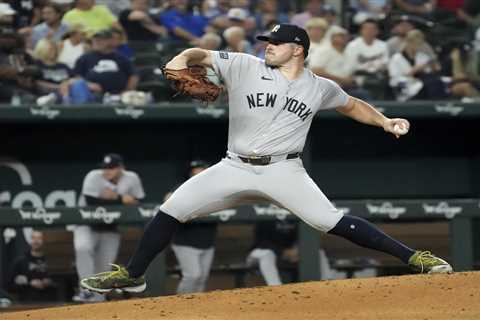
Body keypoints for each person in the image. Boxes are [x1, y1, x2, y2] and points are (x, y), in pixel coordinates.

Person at [80, 23, 452, 294]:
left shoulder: (320, 87)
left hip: (284, 169)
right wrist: (180, 57)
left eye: (277, 42)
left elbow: (352, 105)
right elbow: (199, 54)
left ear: (298, 49)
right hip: (234, 165)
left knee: (331, 221)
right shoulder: (244, 65)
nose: (268, 46)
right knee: (171, 209)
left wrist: (385, 121)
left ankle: (416, 258)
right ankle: (134, 275)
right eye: (268, 41)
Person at [73, 153, 145, 302]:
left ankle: (97, 300)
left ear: (121, 168)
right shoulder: (93, 176)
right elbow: (91, 201)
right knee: (82, 248)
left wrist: (112, 198)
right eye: (105, 168)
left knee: (104, 266)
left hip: (110, 227)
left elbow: (139, 201)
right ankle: (85, 290)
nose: (107, 171)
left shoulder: (131, 178)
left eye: (111, 168)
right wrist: (119, 199)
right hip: (86, 223)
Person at [168, 160, 218, 294]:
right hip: (185, 241)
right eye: (195, 170)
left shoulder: (216, 190)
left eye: (201, 169)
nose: (198, 172)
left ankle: (197, 308)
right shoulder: (183, 187)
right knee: (193, 275)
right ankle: (180, 304)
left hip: (207, 241)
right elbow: (168, 199)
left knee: (202, 278)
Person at [59, 29, 138, 104]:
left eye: (100, 39)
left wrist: (127, 91)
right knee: (78, 86)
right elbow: (76, 77)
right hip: (91, 94)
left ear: (110, 41)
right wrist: (88, 84)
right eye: (94, 39)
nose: (96, 41)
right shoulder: (85, 58)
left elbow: (133, 75)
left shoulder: (122, 58)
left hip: (116, 96)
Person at [9, 230, 57, 303]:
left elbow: (63, 281)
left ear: (45, 241)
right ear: (30, 240)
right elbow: (9, 285)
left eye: (39, 238)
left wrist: (50, 282)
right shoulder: (21, 261)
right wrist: (29, 282)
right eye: (33, 238)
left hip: (51, 302)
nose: (36, 241)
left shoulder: (53, 261)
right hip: (27, 303)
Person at [246, 219, 298, 286]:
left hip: (286, 255)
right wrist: (282, 251)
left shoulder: (294, 217)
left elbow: (301, 237)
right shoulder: (265, 214)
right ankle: (276, 288)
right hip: (258, 253)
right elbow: (262, 242)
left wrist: (297, 250)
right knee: (267, 254)